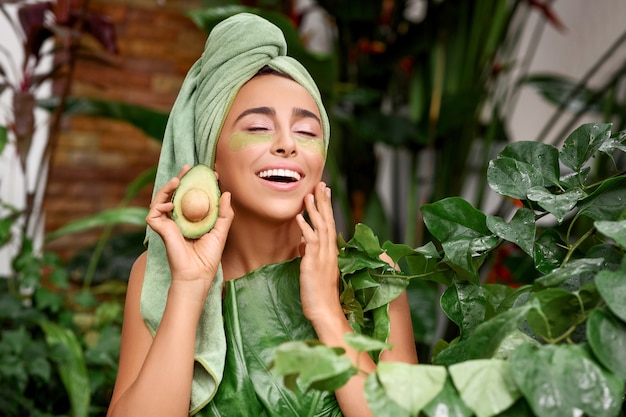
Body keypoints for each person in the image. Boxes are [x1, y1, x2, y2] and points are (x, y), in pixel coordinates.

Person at [106, 12, 417, 417]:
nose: (288, 145)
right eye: (257, 127)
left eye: (307, 132)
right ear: (211, 156)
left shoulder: (372, 273)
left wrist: (326, 310)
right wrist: (189, 286)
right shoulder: (159, 273)